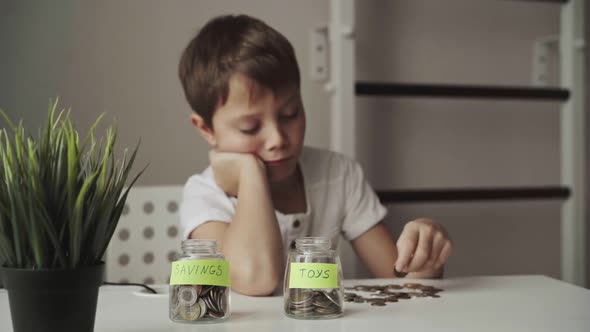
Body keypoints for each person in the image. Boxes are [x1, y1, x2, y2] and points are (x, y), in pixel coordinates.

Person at [178, 14, 453, 296]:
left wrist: (425, 253)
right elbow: (256, 279)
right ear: (205, 128)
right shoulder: (203, 195)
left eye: (290, 114)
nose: (278, 140)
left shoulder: (338, 174)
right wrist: (250, 174)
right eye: (250, 128)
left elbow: (403, 281)